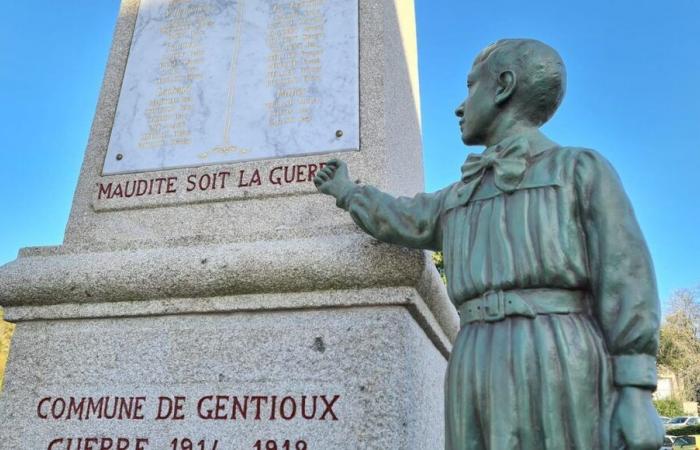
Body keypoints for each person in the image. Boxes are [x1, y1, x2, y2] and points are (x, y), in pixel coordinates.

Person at [313, 39, 663, 449]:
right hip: (474, 353)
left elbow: (626, 276)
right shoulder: (461, 195)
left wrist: (636, 389)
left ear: (503, 87)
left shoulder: (579, 170)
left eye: (470, 88)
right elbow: (403, 217)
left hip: (558, 352)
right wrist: (348, 192)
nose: (460, 107)